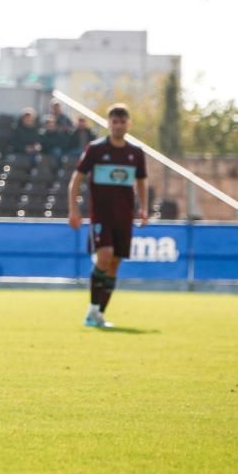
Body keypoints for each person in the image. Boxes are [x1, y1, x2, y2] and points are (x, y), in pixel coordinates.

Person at [67, 103, 148, 328]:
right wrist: (73, 209)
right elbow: (76, 179)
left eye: (122, 121)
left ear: (128, 124)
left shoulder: (135, 153)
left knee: (114, 264)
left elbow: (141, 181)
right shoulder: (95, 149)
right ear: (108, 123)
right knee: (104, 256)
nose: (118, 125)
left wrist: (143, 208)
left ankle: (100, 313)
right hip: (101, 215)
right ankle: (92, 311)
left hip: (125, 217)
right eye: (114, 121)